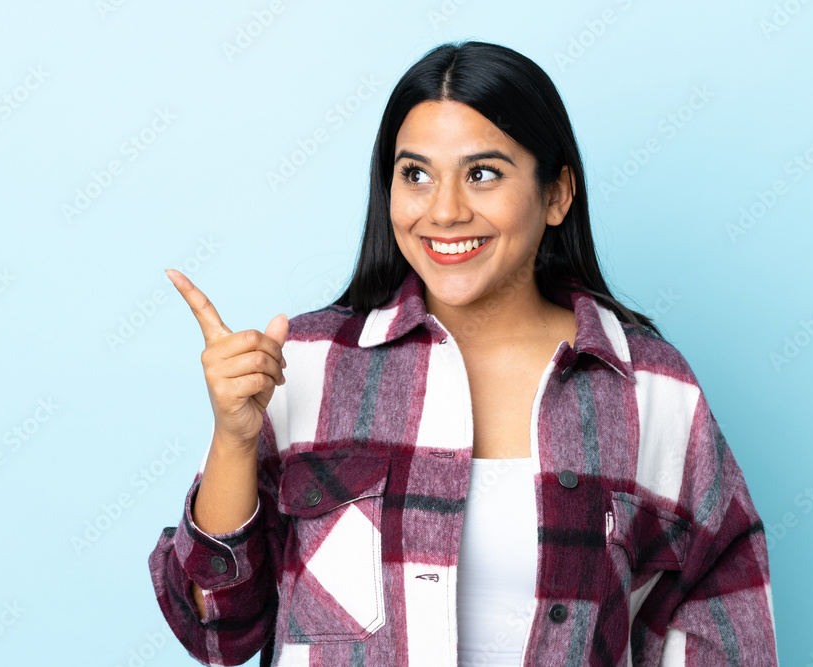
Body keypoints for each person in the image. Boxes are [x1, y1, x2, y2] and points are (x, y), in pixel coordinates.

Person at [148, 40, 779, 666]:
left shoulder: (650, 389)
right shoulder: (304, 366)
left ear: (557, 193)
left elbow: (727, 625)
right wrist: (232, 437)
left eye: (483, 173)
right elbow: (217, 633)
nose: (444, 212)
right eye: (415, 174)